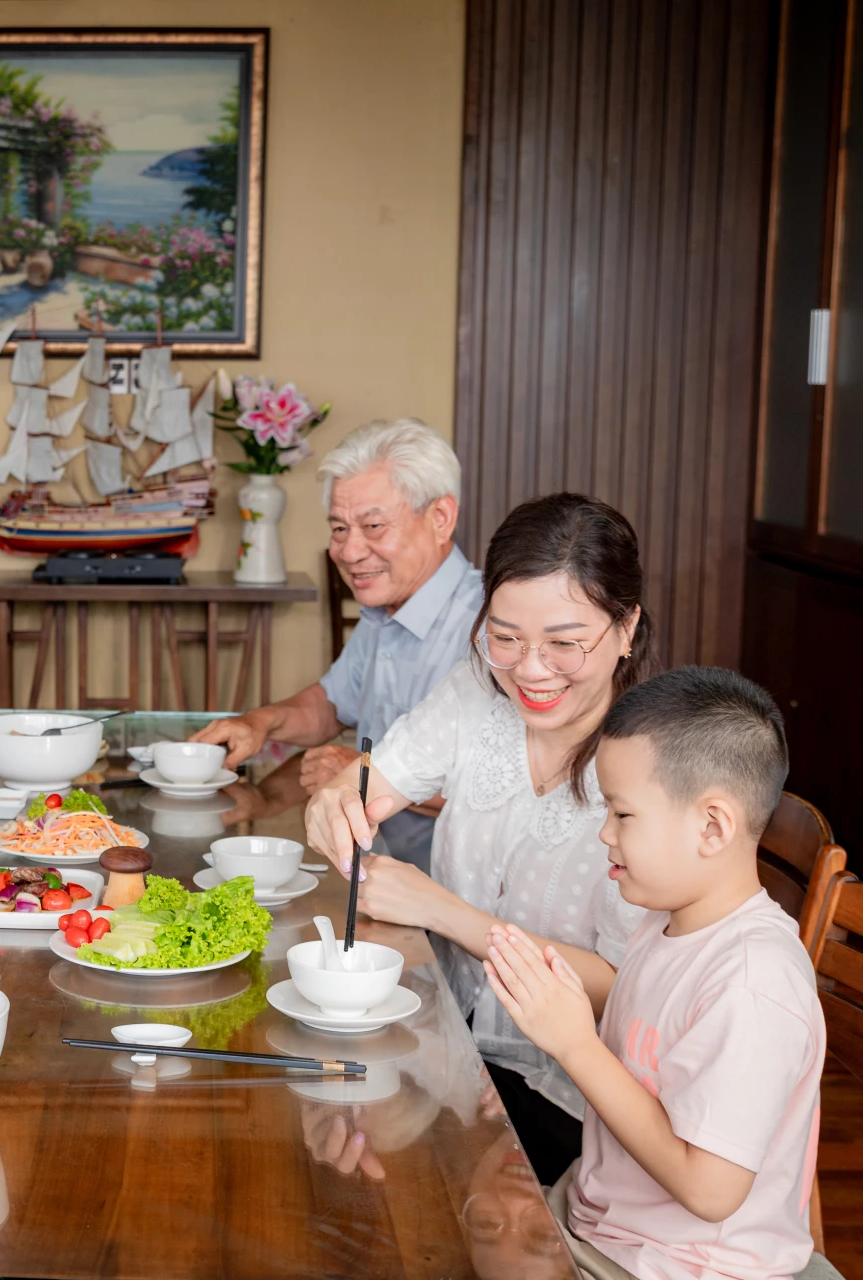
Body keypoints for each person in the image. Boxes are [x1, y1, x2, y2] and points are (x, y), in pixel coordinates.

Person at [305, 492, 653, 1184]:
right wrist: (337, 799)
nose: (528, 670)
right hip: (454, 1057)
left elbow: (621, 989)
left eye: (564, 643)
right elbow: (380, 776)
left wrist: (445, 913)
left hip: (573, 1102)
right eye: (504, 637)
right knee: (318, 1117)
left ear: (626, 629)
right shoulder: (476, 691)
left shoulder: (652, 769)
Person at [484, 668, 829, 1280]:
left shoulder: (753, 985)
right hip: (600, 1219)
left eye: (623, 814)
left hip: (678, 1265)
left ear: (713, 827)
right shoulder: (668, 919)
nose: (605, 834)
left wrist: (573, 1044)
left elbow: (710, 1191)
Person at [190, 419, 481, 872]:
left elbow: (506, 788)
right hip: (370, 874)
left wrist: (365, 776)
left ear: (440, 518)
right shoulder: (386, 608)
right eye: (340, 529)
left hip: (447, 896)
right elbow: (332, 704)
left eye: (373, 526)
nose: (348, 551)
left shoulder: (490, 628)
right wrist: (260, 723)